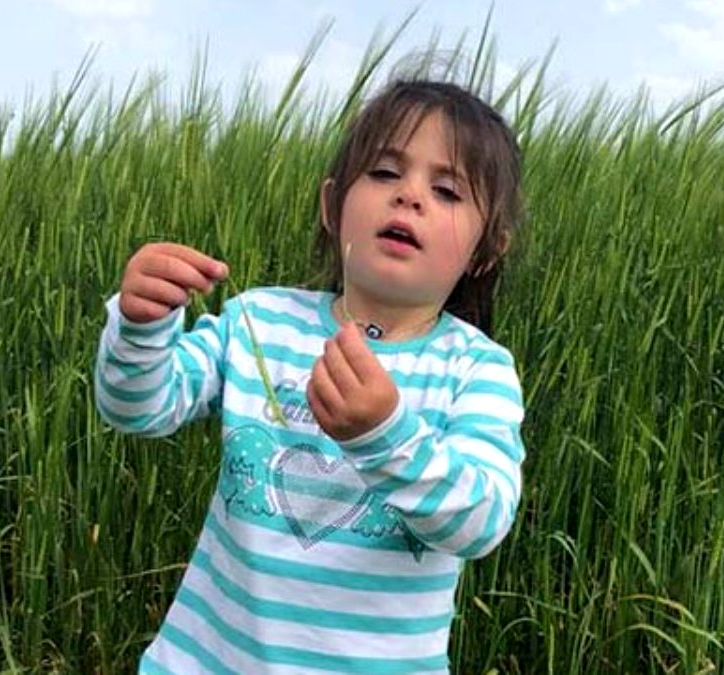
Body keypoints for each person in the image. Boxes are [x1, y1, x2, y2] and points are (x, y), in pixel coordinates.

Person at [95, 78, 526, 673]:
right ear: (332, 206)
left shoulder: (475, 369)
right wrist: (142, 327)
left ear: (486, 249)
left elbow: (481, 521)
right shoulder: (258, 321)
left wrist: (384, 435)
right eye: (384, 173)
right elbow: (139, 408)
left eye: (447, 190)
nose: (410, 196)